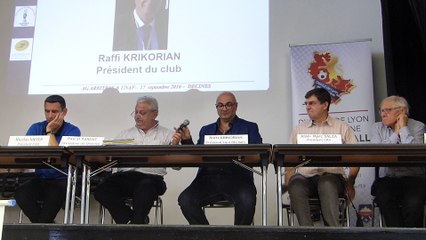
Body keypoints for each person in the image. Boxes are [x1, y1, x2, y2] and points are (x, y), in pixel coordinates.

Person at [178, 91, 262, 225]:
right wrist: (187, 141)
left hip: (238, 178)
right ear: (216, 107)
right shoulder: (206, 129)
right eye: (220, 105)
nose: (224, 108)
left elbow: (258, 152)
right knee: (185, 199)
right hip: (208, 179)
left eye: (228, 105)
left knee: (247, 199)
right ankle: (209, 236)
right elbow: (197, 156)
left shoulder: (249, 127)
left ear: (236, 106)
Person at [94, 96, 182, 224]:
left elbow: (177, 166)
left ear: (154, 114)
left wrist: (174, 148)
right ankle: (134, 222)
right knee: (101, 189)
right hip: (126, 177)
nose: (137, 116)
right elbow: (109, 158)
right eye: (136, 112)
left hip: (152, 178)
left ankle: (134, 225)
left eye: (142, 113)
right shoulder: (124, 134)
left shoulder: (168, 135)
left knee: (145, 187)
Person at [285, 88, 359, 226]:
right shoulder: (299, 129)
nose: (307, 107)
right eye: (306, 103)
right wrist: (287, 183)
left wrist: (350, 183)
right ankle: (306, 232)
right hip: (305, 178)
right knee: (295, 184)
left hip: (332, 177)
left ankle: (332, 232)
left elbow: (355, 158)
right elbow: (290, 161)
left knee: (327, 183)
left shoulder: (342, 127)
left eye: (311, 103)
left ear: (325, 105)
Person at [14, 95, 81, 223]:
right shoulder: (36, 128)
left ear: (64, 112)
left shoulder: (73, 130)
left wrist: (50, 132)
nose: (50, 116)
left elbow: (58, 155)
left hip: (61, 181)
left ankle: (42, 227)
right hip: (40, 179)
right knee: (21, 193)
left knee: (54, 195)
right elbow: (24, 153)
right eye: (47, 111)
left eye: (54, 112)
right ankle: (44, 226)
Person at [370, 95, 426, 227]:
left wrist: (404, 129)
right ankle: (395, 234)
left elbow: (415, 154)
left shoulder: (419, 126)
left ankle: (412, 237)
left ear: (402, 111)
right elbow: (378, 152)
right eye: (381, 110)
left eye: (388, 110)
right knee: (385, 198)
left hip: (414, 178)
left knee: (414, 204)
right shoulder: (377, 128)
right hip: (388, 179)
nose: (383, 114)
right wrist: (396, 133)